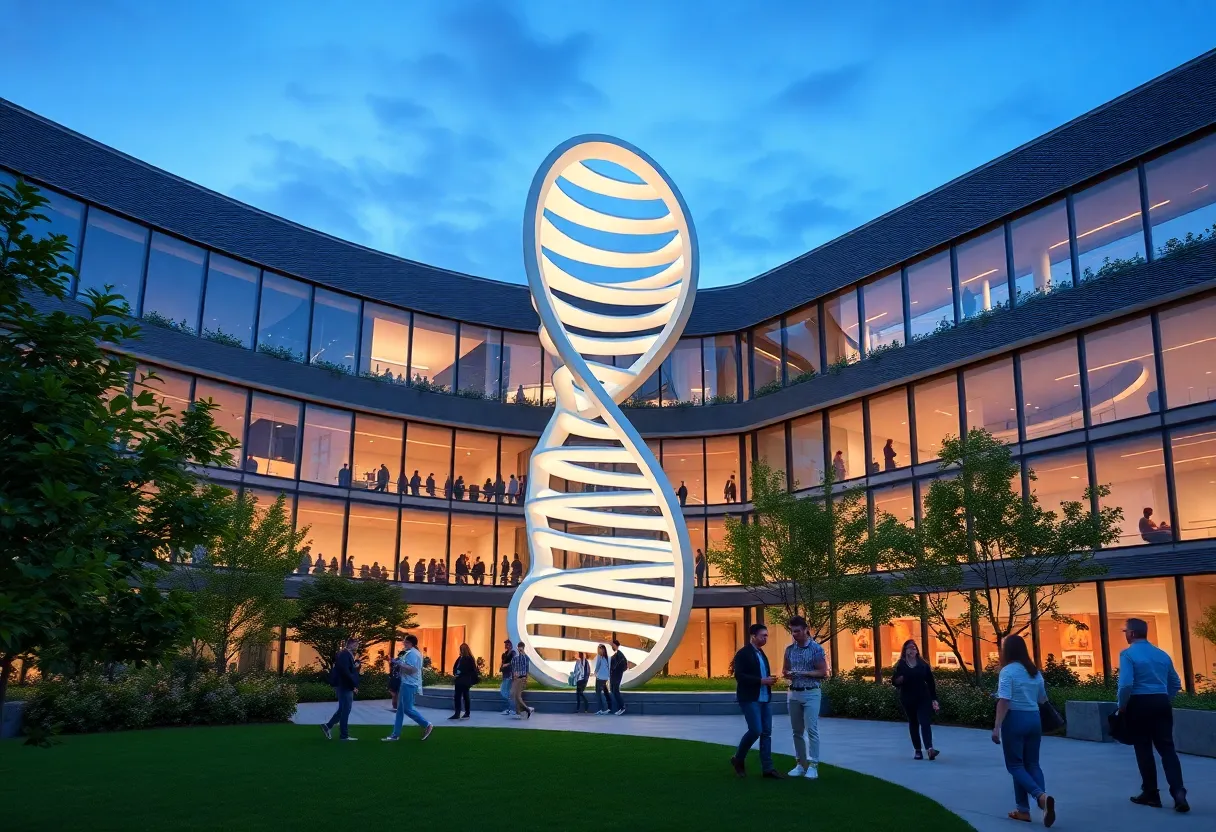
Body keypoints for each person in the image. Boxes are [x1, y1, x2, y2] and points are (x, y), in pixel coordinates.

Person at [1118, 617, 1188, 812]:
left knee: (1143, 748)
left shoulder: (1128, 654)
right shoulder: (1162, 654)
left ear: (1131, 633)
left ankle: (1151, 794)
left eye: (1125, 632)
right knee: (1167, 748)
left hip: (1139, 703)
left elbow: (1125, 684)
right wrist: (1165, 698)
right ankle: (1179, 792)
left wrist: (1122, 706)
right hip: (1161, 702)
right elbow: (1175, 683)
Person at [992, 634, 1055, 826]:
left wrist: (997, 727)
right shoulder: (1034, 672)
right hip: (1034, 718)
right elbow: (1042, 699)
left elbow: (1004, 701)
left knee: (1015, 765)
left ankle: (1041, 797)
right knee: (1032, 764)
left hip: (1015, 719)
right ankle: (1024, 810)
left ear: (1007, 651)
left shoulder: (1007, 671)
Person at [729, 623, 781, 779]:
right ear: (753, 636)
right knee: (755, 730)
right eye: (763, 635)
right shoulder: (744, 653)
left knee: (767, 733)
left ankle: (768, 769)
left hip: (765, 698)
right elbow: (740, 676)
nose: (766, 638)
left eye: (766, 636)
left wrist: (768, 681)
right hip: (750, 698)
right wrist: (761, 681)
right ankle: (738, 759)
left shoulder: (761, 654)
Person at [781, 615, 827, 778]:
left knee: (812, 730)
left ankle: (813, 764)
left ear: (806, 630)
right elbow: (785, 670)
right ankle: (800, 763)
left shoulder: (816, 649)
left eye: (798, 631)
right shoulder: (789, 650)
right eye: (793, 631)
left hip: (811, 692)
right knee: (796, 730)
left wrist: (803, 673)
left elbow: (823, 672)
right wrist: (788, 674)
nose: (795, 634)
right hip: (794, 692)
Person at [892, 639, 939, 760]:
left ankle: (929, 749)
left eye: (914, 647)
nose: (912, 649)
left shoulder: (923, 664)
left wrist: (934, 699)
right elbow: (895, 681)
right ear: (905, 650)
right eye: (910, 648)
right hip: (908, 698)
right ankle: (918, 750)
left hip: (923, 697)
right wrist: (899, 680)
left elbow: (930, 682)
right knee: (913, 723)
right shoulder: (901, 665)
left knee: (925, 722)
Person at [383, 634, 433, 741]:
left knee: (407, 708)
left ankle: (426, 724)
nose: (403, 643)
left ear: (410, 643)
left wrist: (399, 663)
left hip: (409, 684)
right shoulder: (411, 653)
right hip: (406, 683)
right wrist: (395, 662)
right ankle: (395, 734)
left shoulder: (413, 654)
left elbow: (412, 669)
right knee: (400, 710)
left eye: (405, 642)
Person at [321, 637, 360, 741]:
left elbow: (346, 670)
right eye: (356, 644)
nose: (357, 646)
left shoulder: (345, 654)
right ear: (351, 644)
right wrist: (353, 686)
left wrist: (355, 666)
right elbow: (345, 672)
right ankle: (344, 735)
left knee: (342, 709)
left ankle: (328, 726)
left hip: (344, 685)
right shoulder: (344, 654)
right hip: (344, 686)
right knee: (345, 710)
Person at [451, 643, 478, 721]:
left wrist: (459, 673)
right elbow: (456, 667)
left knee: (464, 696)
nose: (461, 651)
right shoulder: (461, 658)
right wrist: (456, 673)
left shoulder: (468, 658)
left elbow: (469, 670)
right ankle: (458, 713)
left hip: (464, 680)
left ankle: (465, 713)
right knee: (458, 697)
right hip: (459, 680)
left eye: (462, 649)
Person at [510, 641, 534, 718]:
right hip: (516, 678)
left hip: (522, 678)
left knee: (517, 696)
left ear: (523, 648)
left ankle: (525, 710)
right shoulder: (515, 657)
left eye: (521, 648)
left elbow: (526, 668)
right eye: (519, 648)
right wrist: (513, 675)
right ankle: (522, 710)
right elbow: (513, 666)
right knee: (513, 695)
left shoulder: (525, 658)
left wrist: (525, 678)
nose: (520, 649)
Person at [499, 638, 517, 716]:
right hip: (505, 673)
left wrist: (507, 664)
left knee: (506, 691)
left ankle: (511, 709)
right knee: (504, 691)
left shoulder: (513, 653)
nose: (506, 645)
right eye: (506, 644)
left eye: (508, 644)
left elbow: (513, 662)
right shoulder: (505, 654)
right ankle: (510, 708)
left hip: (510, 674)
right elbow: (503, 663)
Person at [609, 639, 627, 715]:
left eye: (612, 645)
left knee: (616, 691)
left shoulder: (620, 655)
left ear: (616, 645)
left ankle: (622, 707)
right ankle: (619, 708)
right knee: (613, 691)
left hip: (617, 676)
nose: (611, 646)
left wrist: (615, 670)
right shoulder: (615, 654)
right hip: (613, 676)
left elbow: (623, 666)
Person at [593, 644, 612, 714]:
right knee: (606, 692)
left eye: (599, 649)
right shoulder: (608, 658)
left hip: (600, 678)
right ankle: (609, 708)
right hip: (604, 678)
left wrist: (595, 673)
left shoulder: (600, 657)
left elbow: (598, 666)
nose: (599, 651)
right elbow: (609, 668)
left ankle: (600, 709)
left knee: (598, 693)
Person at [388, 647, 404, 711]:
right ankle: (396, 706)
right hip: (398, 679)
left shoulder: (396, 660)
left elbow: (391, 667)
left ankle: (395, 706)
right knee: (396, 693)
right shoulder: (401, 661)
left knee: (394, 694)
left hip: (394, 678)